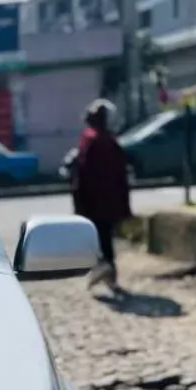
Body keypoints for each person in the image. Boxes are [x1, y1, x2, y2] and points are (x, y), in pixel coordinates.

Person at [71, 98, 131, 293]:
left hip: (94, 200)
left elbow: (84, 173)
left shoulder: (92, 140)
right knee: (104, 238)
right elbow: (121, 175)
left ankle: (105, 270)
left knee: (98, 238)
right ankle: (109, 274)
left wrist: (79, 199)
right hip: (108, 199)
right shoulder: (107, 141)